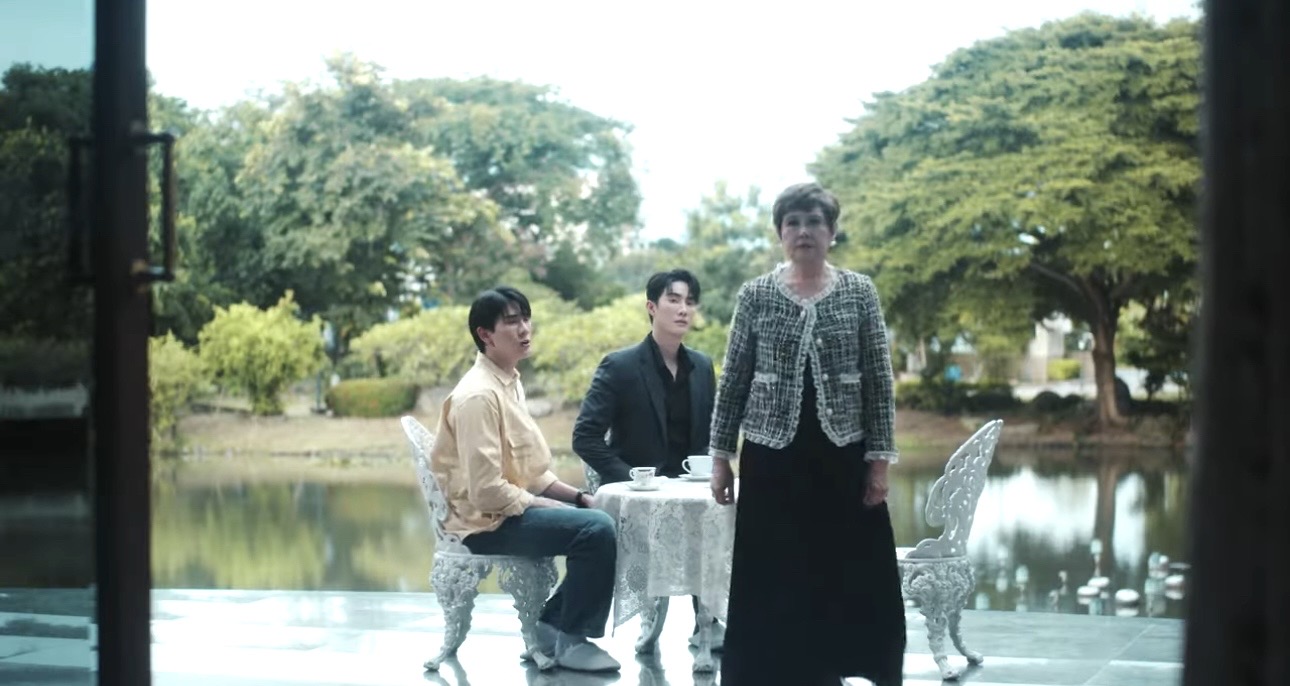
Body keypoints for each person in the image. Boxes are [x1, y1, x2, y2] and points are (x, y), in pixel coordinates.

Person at [708, 183, 906, 686]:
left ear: (832, 232)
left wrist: (879, 463)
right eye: (792, 222)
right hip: (772, 456)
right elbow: (734, 378)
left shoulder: (859, 292)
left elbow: (879, 381)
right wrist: (720, 458)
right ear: (780, 233)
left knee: (847, 566)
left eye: (814, 221)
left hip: (843, 453)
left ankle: (836, 667)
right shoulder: (755, 295)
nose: (803, 231)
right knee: (774, 568)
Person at [429, 286, 620, 672]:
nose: (524, 329)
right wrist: (546, 505)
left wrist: (579, 498)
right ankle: (571, 640)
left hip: (507, 510)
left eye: (526, 319)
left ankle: (551, 626)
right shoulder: (478, 397)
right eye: (512, 321)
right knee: (595, 530)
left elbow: (529, 470)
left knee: (607, 514)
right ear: (485, 334)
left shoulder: (508, 381)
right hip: (484, 524)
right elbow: (486, 491)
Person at [572, 269, 722, 648]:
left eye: (689, 302)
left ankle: (710, 617)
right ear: (652, 307)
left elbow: (713, 435)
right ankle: (651, 613)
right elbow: (585, 437)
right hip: (641, 495)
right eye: (673, 299)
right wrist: (631, 478)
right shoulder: (619, 366)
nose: (683, 309)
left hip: (692, 490)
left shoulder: (702, 366)